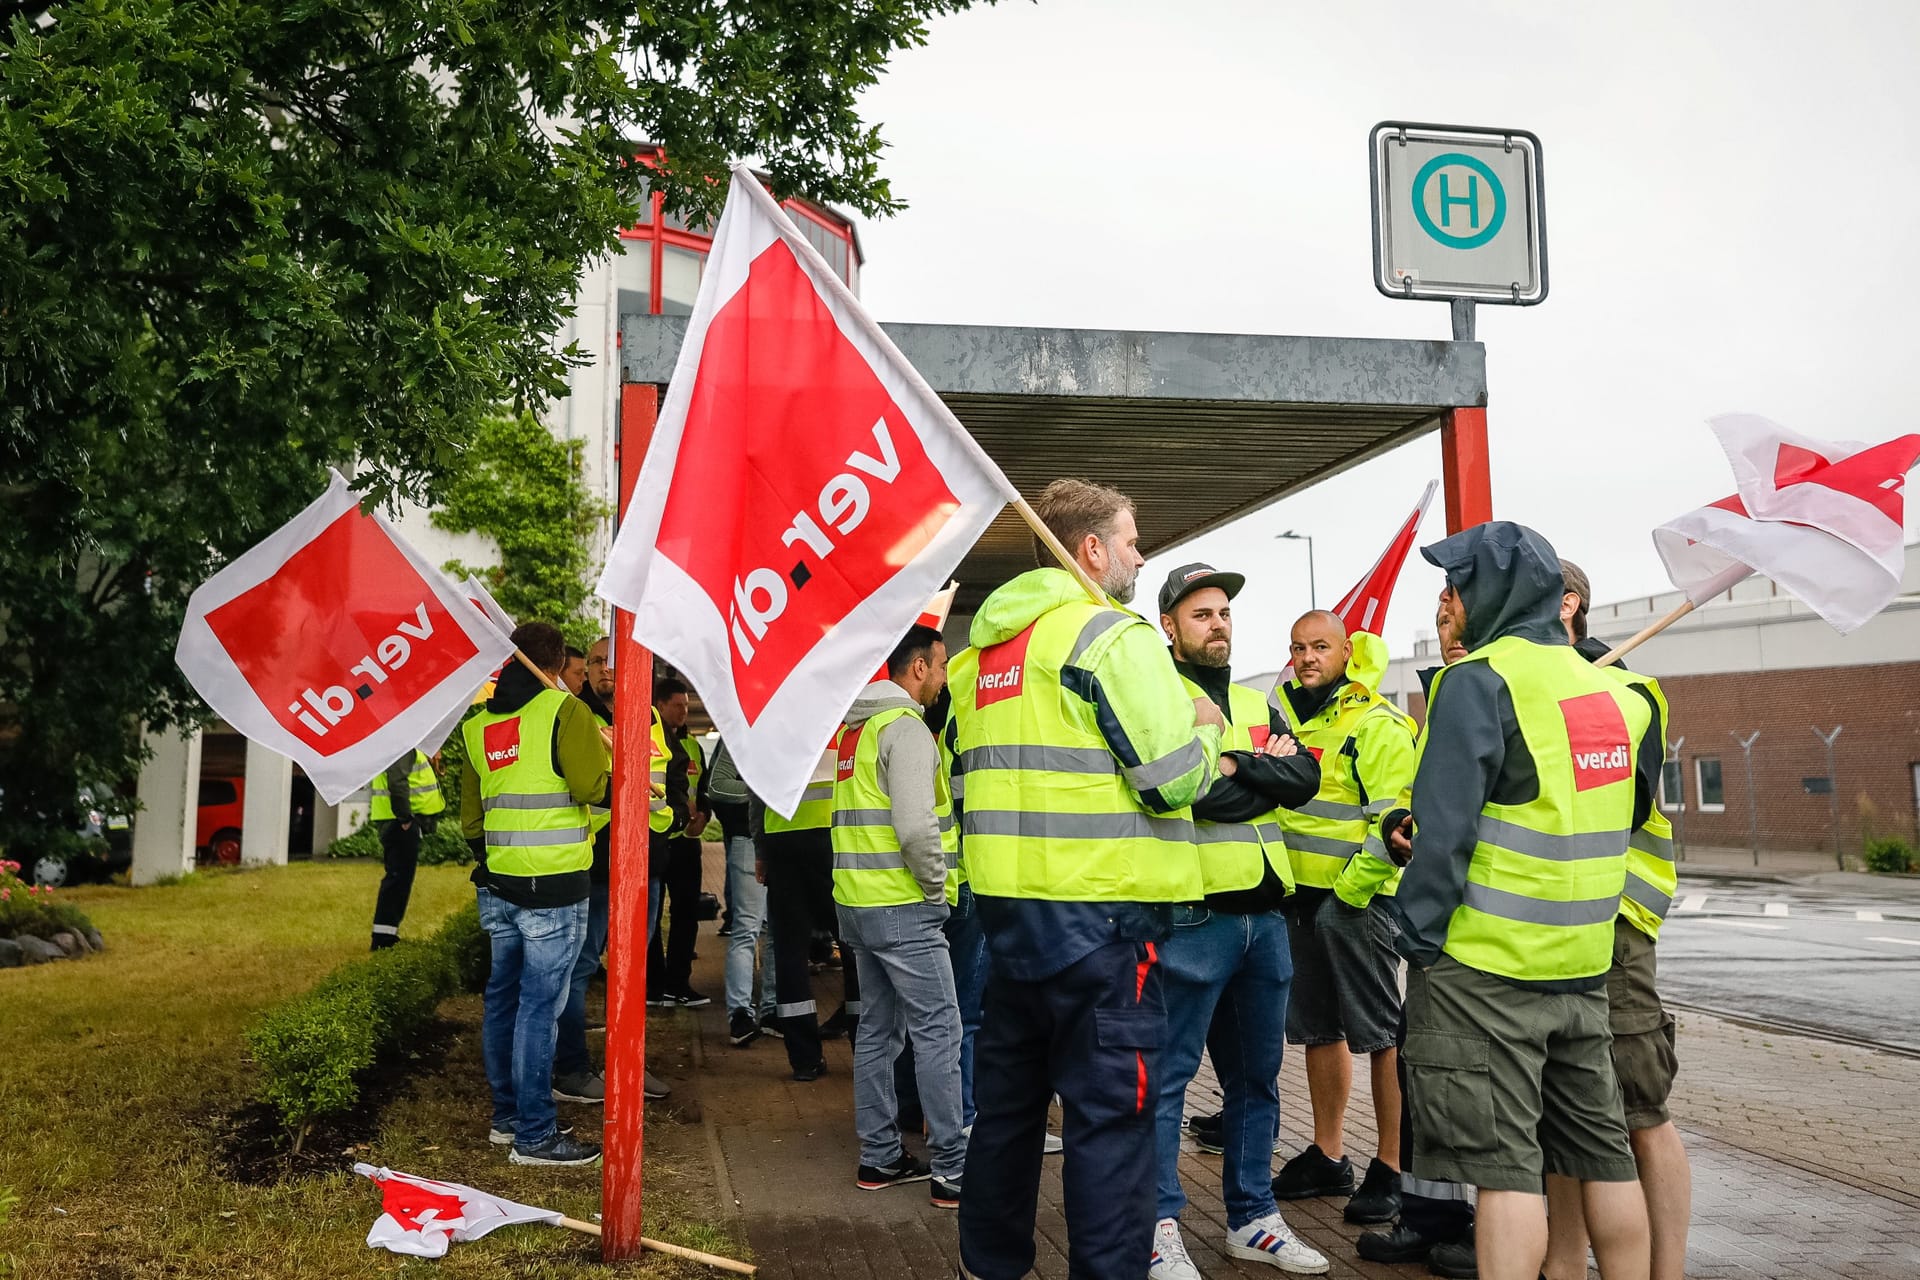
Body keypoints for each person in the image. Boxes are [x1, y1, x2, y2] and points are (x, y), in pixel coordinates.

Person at [951, 477, 1222, 1280]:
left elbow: (968, 792)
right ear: (1093, 550)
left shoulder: (981, 658)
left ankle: (988, 1266)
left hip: (1010, 920)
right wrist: (1208, 730)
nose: (1142, 556)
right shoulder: (1110, 635)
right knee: (1112, 1124)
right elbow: (1172, 779)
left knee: (1005, 1115)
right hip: (1106, 924)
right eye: (1133, 541)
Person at [1380, 523, 1660, 1280]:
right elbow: (1629, 815)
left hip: (1484, 968)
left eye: (1454, 586)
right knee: (1605, 1159)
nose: (1446, 600)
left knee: (1504, 1174)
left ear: (1492, 592)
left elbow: (1441, 836)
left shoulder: (1475, 682)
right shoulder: (1623, 693)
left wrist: (1416, 940)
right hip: (1582, 968)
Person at [1147, 563, 1329, 1278]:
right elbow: (1179, 799)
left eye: (1223, 612)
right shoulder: (1156, 696)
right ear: (1169, 626)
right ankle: (1159, 1225)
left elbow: (1305, 781)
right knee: (1169, 1081)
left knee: (1255, 1083)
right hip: (1194, 918)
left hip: (1265, 921)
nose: (1218, 623)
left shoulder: (1260, 696)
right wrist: (1257, 770)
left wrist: (1232, 765)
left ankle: (1253, 1220)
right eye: (1200, 614)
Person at [1542, 562, 1691, 1280]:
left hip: (1618, 923)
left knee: (1641, 1108)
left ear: (1568, 604)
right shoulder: (1532, 685)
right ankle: (1563, 1264)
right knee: (1563, 1112)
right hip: (1553, 925)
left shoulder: (1626, 689)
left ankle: (1668, 1272)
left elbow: (1622, 804)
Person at [1269, 610, 1420, 1225]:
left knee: (1380, 1036)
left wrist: (1349, 897)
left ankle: (1392, 1166)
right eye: (1298, 647)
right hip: (1297, 899)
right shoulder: (1281, 718)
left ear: (1346, 652)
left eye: (1320, 647)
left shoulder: (1377, 724)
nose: (1307, 658)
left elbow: (1396, 826)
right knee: (1317, 1030)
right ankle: (1329, 1153)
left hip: (1356, 903)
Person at [1354, 600, 1478, 1278]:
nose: (1444, 624)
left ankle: (1497, 1228)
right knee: (1421, 1069)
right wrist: (1408, 827)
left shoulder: (1504, 695)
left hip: (1491, 935)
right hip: (1436, 930)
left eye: (1456, 611)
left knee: (1478, 1087)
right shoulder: (1446, 697)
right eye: (1440, 612)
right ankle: (1431, 1214)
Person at [461, 622, 608, 1167]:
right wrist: (631, 776)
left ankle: (507, 1119)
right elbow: (592, 787)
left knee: (503, 998)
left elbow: (471, 822)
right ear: (553, 665)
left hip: (499, 887)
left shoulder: (478, 727)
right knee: (539, 1009)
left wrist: (498, 863)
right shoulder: (565, 712)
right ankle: (535, 1135)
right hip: (556, 887)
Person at [832, 624, 967, 1208]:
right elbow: (916, 829)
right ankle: (954, 1172)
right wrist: (936, 888)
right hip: (904, 905)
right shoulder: (907, 729)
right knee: (939, 1031)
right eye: (940, 667)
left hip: (858, 906)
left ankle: (880, 1157)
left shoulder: (854, 730)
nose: (942, 679)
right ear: (917, 668)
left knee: (877, 1032)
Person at [754, 749, 861, 1082]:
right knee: (854, 947)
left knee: (789, 951)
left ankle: (804, 1059)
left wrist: (761, 850)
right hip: (834, 838)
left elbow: (756, 792)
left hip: (782, 840)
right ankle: (866, 1046)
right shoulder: (840, 714)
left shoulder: (775, 724)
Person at [709, 734, 777, 1046]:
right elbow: (717, 785)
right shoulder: (740, 729)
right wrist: (764, 791)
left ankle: (773, 1010)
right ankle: (740, 1013)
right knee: (748, 928)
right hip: (750, 840)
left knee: (778, 930)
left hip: (785, 841)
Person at [649, 676, 711, 1007]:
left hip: (687, 842)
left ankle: (679, 983)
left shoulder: (694, 747)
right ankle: (655, 985)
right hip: (659, 838)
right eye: (677, 706)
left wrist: (704, 814)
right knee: (654, 915)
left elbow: (704, 789)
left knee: (687, 914)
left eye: (687, 706)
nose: (684, 712)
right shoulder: (651, 738)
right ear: (659, 705)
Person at [369, 747, 444, 950]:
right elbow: (397, 782)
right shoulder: (403, 745)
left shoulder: (405, 745)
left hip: (398, 821)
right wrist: (405, 819)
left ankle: (386, 934)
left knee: (399, 879)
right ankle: (383, 939)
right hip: (400, 822)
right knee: (398, 880)